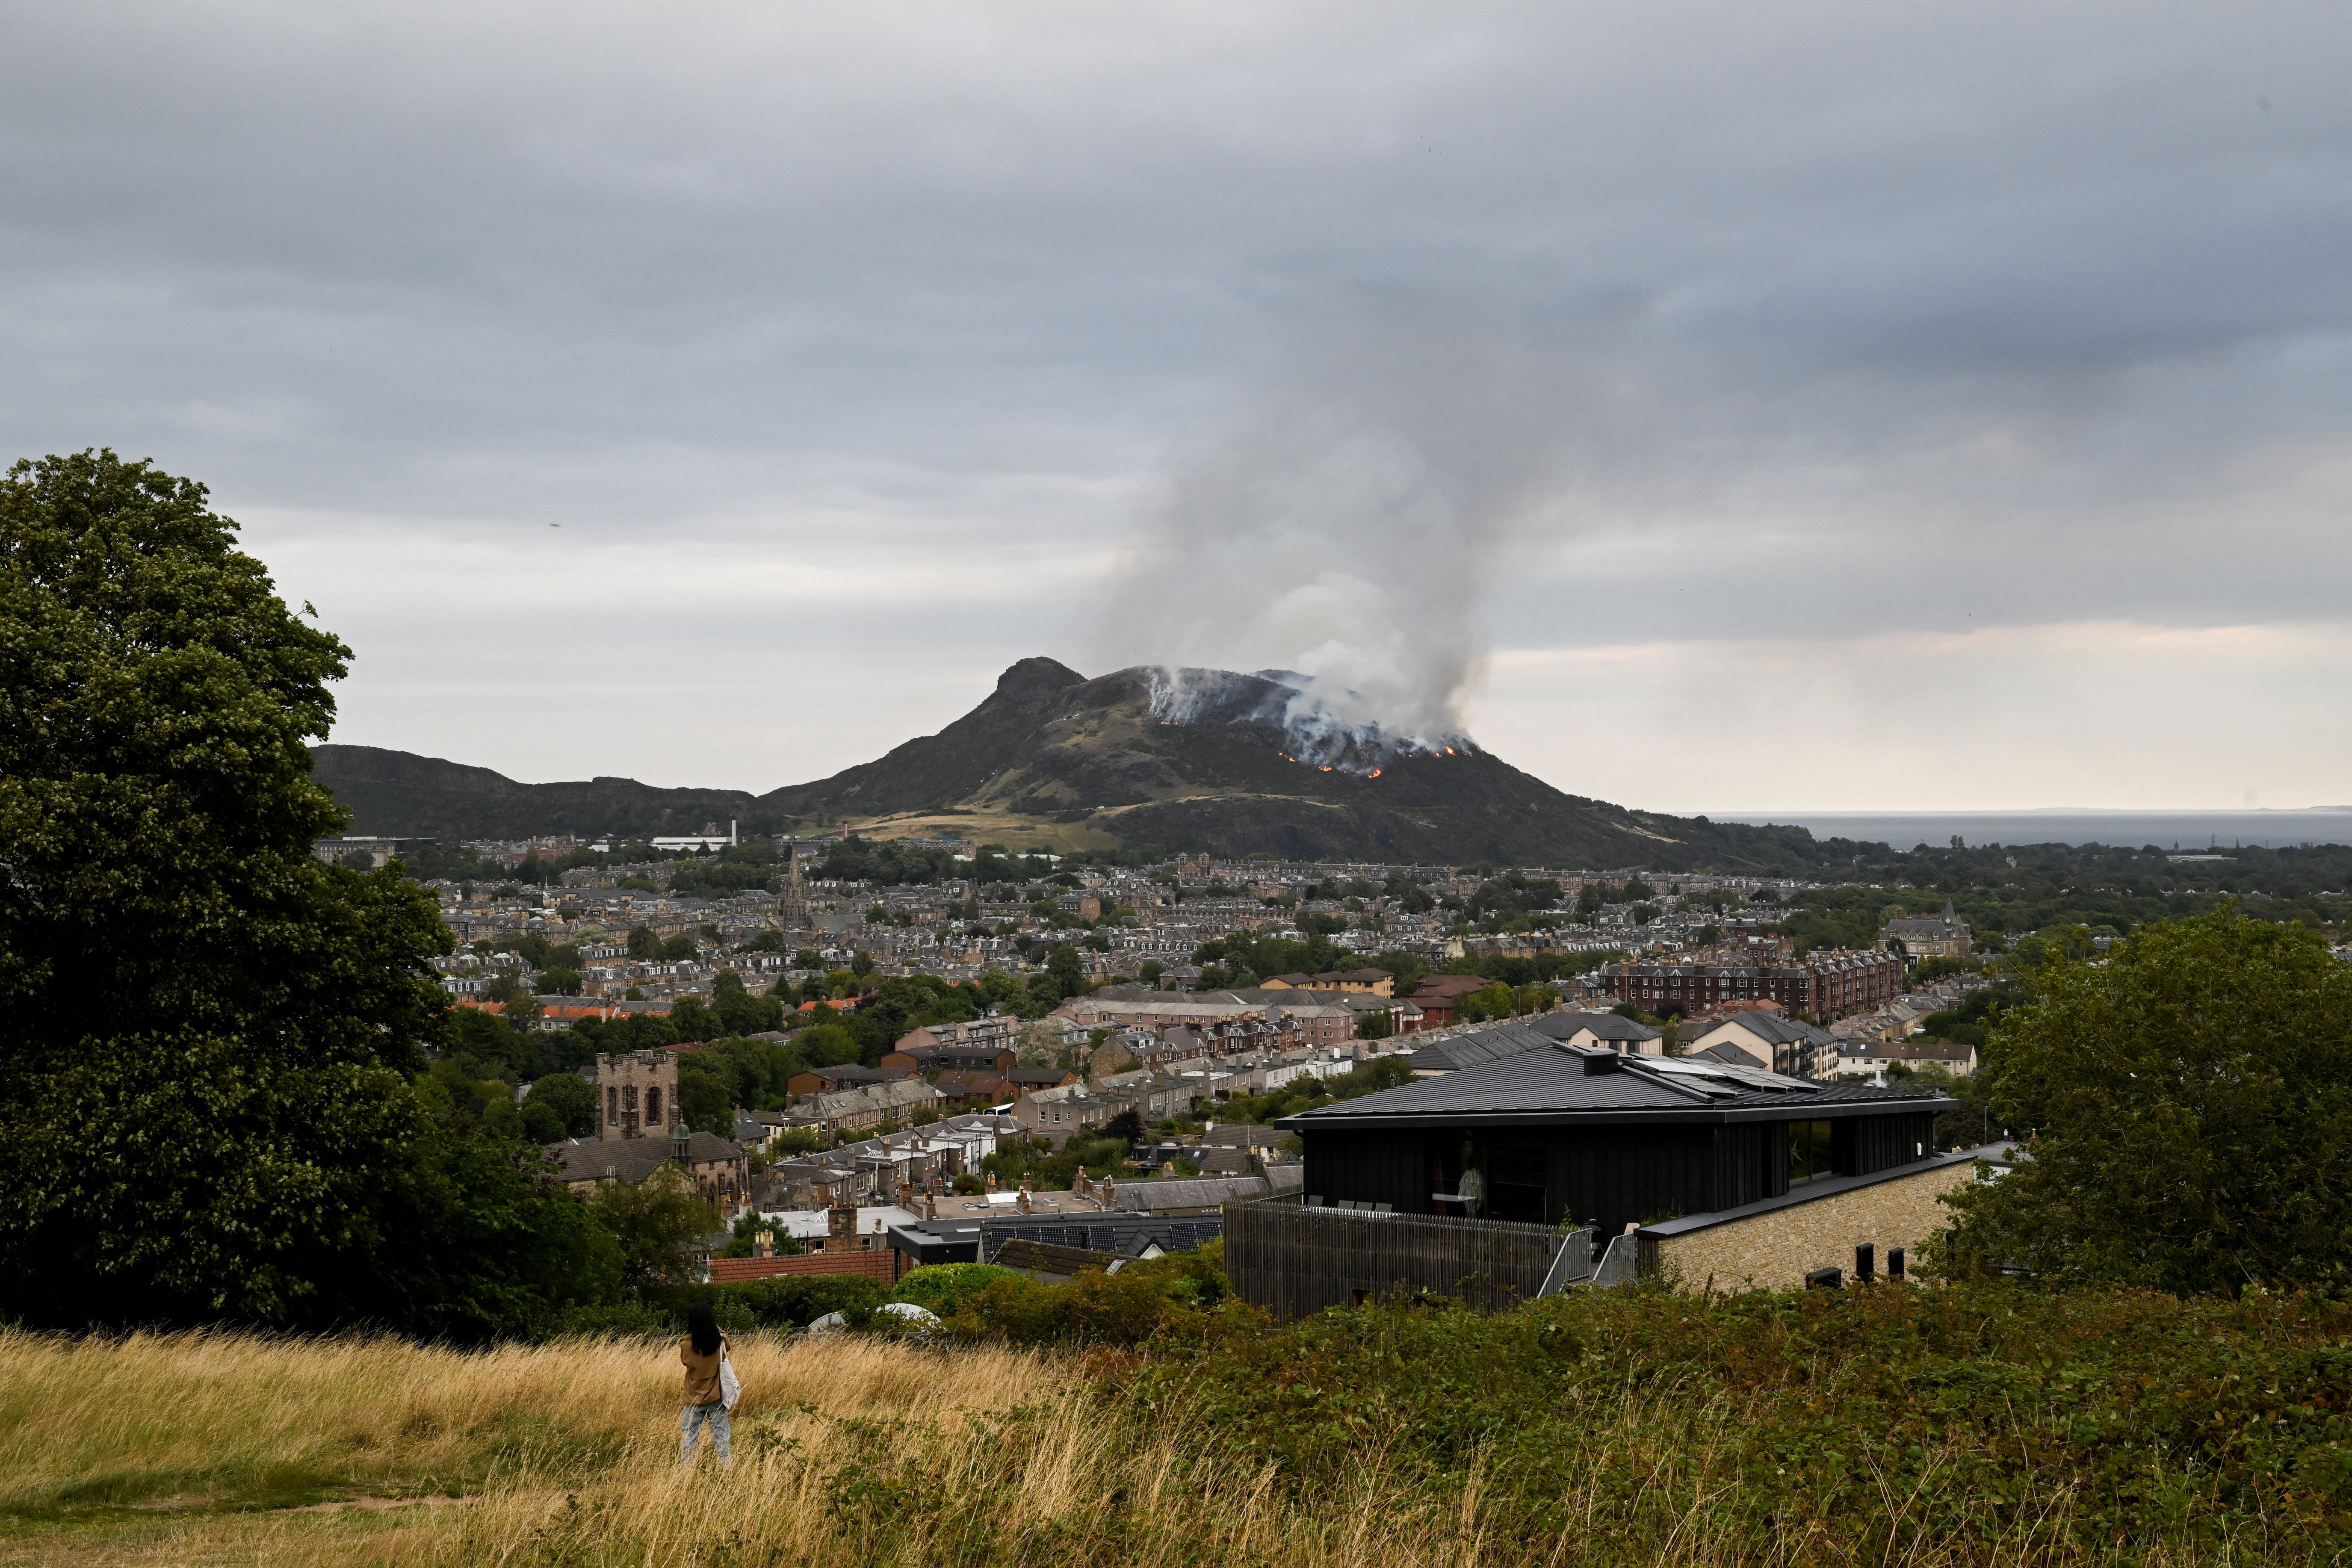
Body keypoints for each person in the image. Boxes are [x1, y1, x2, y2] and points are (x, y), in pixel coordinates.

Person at [679, 1303, 732, 1464]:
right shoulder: (720, 1342)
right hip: (717, 1396)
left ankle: (687, 1472)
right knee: (722, 1435)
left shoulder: (686, 1345)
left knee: (689, 1437)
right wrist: (712, 1327)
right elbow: (726, 1342)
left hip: (693, 1398)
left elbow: (685, 1362)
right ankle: (726, 1469)